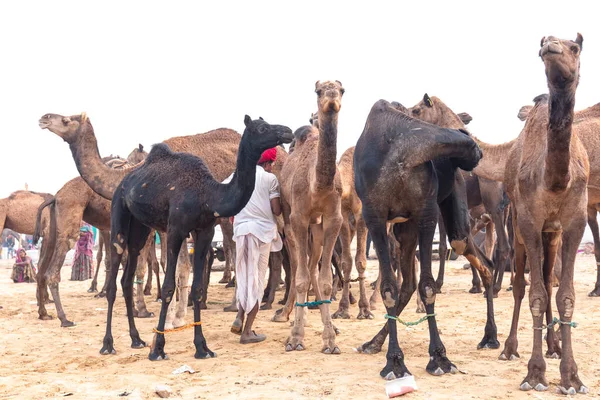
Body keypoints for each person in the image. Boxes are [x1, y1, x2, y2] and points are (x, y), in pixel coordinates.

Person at [229, 147, 282, 344]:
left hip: (241, 231)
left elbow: (225, 194)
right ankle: (247, 331)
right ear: (268, 164)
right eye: (272, 165)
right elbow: (276, 210)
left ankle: (239, 317)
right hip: (261, 233)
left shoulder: (238, 175)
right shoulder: (270, 179)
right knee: (257, 281)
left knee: (243, 277)